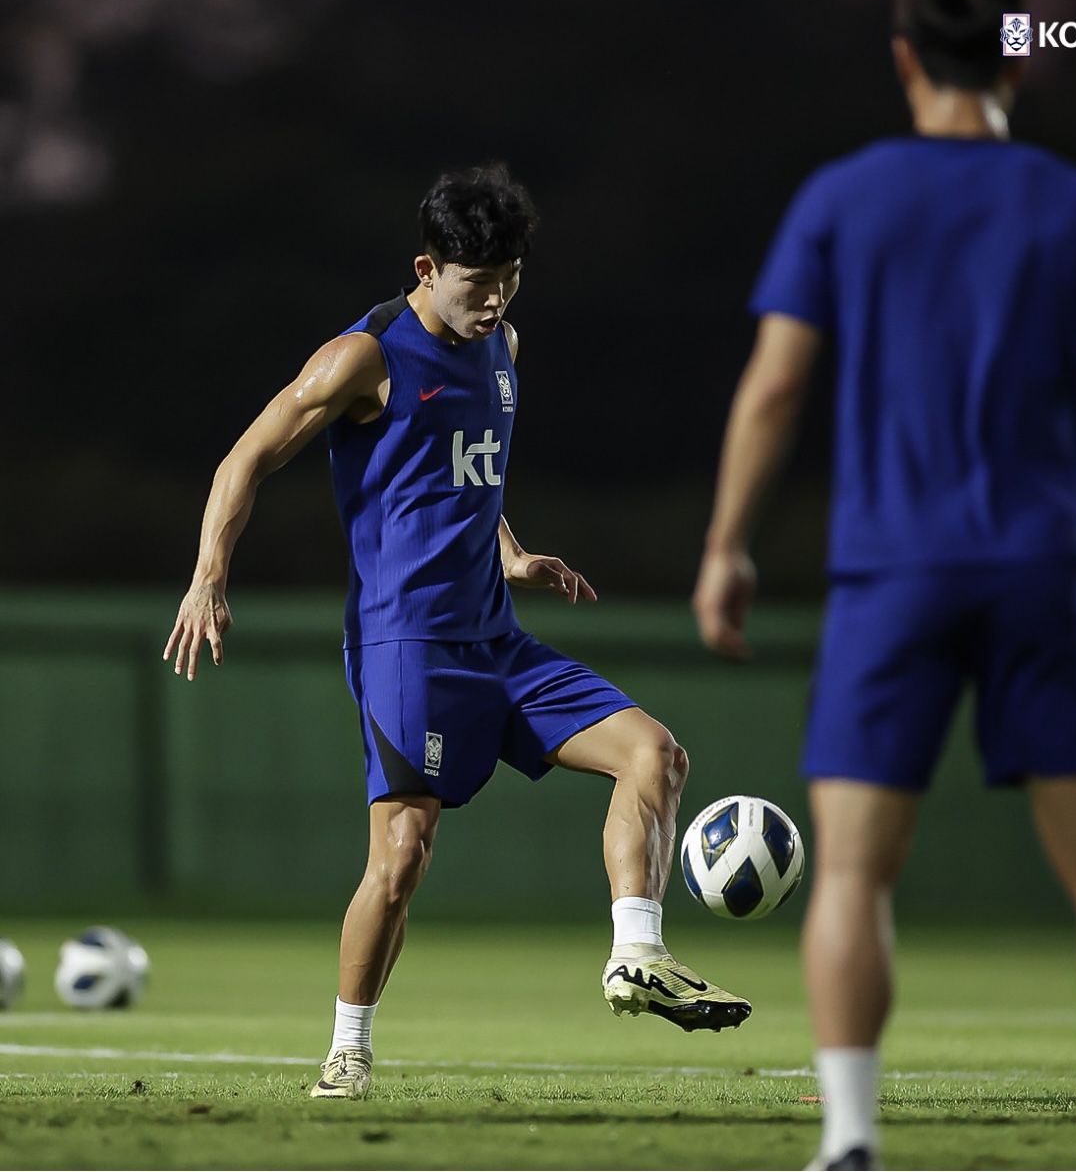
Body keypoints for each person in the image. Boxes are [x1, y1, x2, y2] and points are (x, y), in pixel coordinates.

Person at [692, 0, 1076, 1169]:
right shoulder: (1075, 204)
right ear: (1015, 62)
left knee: (854, 869)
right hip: (1041, 566)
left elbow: (771, 390)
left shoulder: (843, 196)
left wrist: (728, 544)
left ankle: (852, 1141)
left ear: (905, 58)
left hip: (891, 573)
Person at [164, 163, 751, 1100]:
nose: (494, 304)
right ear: (426, 266)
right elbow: (245, 458)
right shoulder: (364, 357)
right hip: (408, 644)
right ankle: (347, 1049)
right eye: (477, 287)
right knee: (401, 856)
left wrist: (510, 551)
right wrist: (207, 579)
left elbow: (467, 470)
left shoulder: (503, 343)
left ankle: (636, 953)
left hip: (498, 637)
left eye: (509, 283)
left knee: (656, 753)